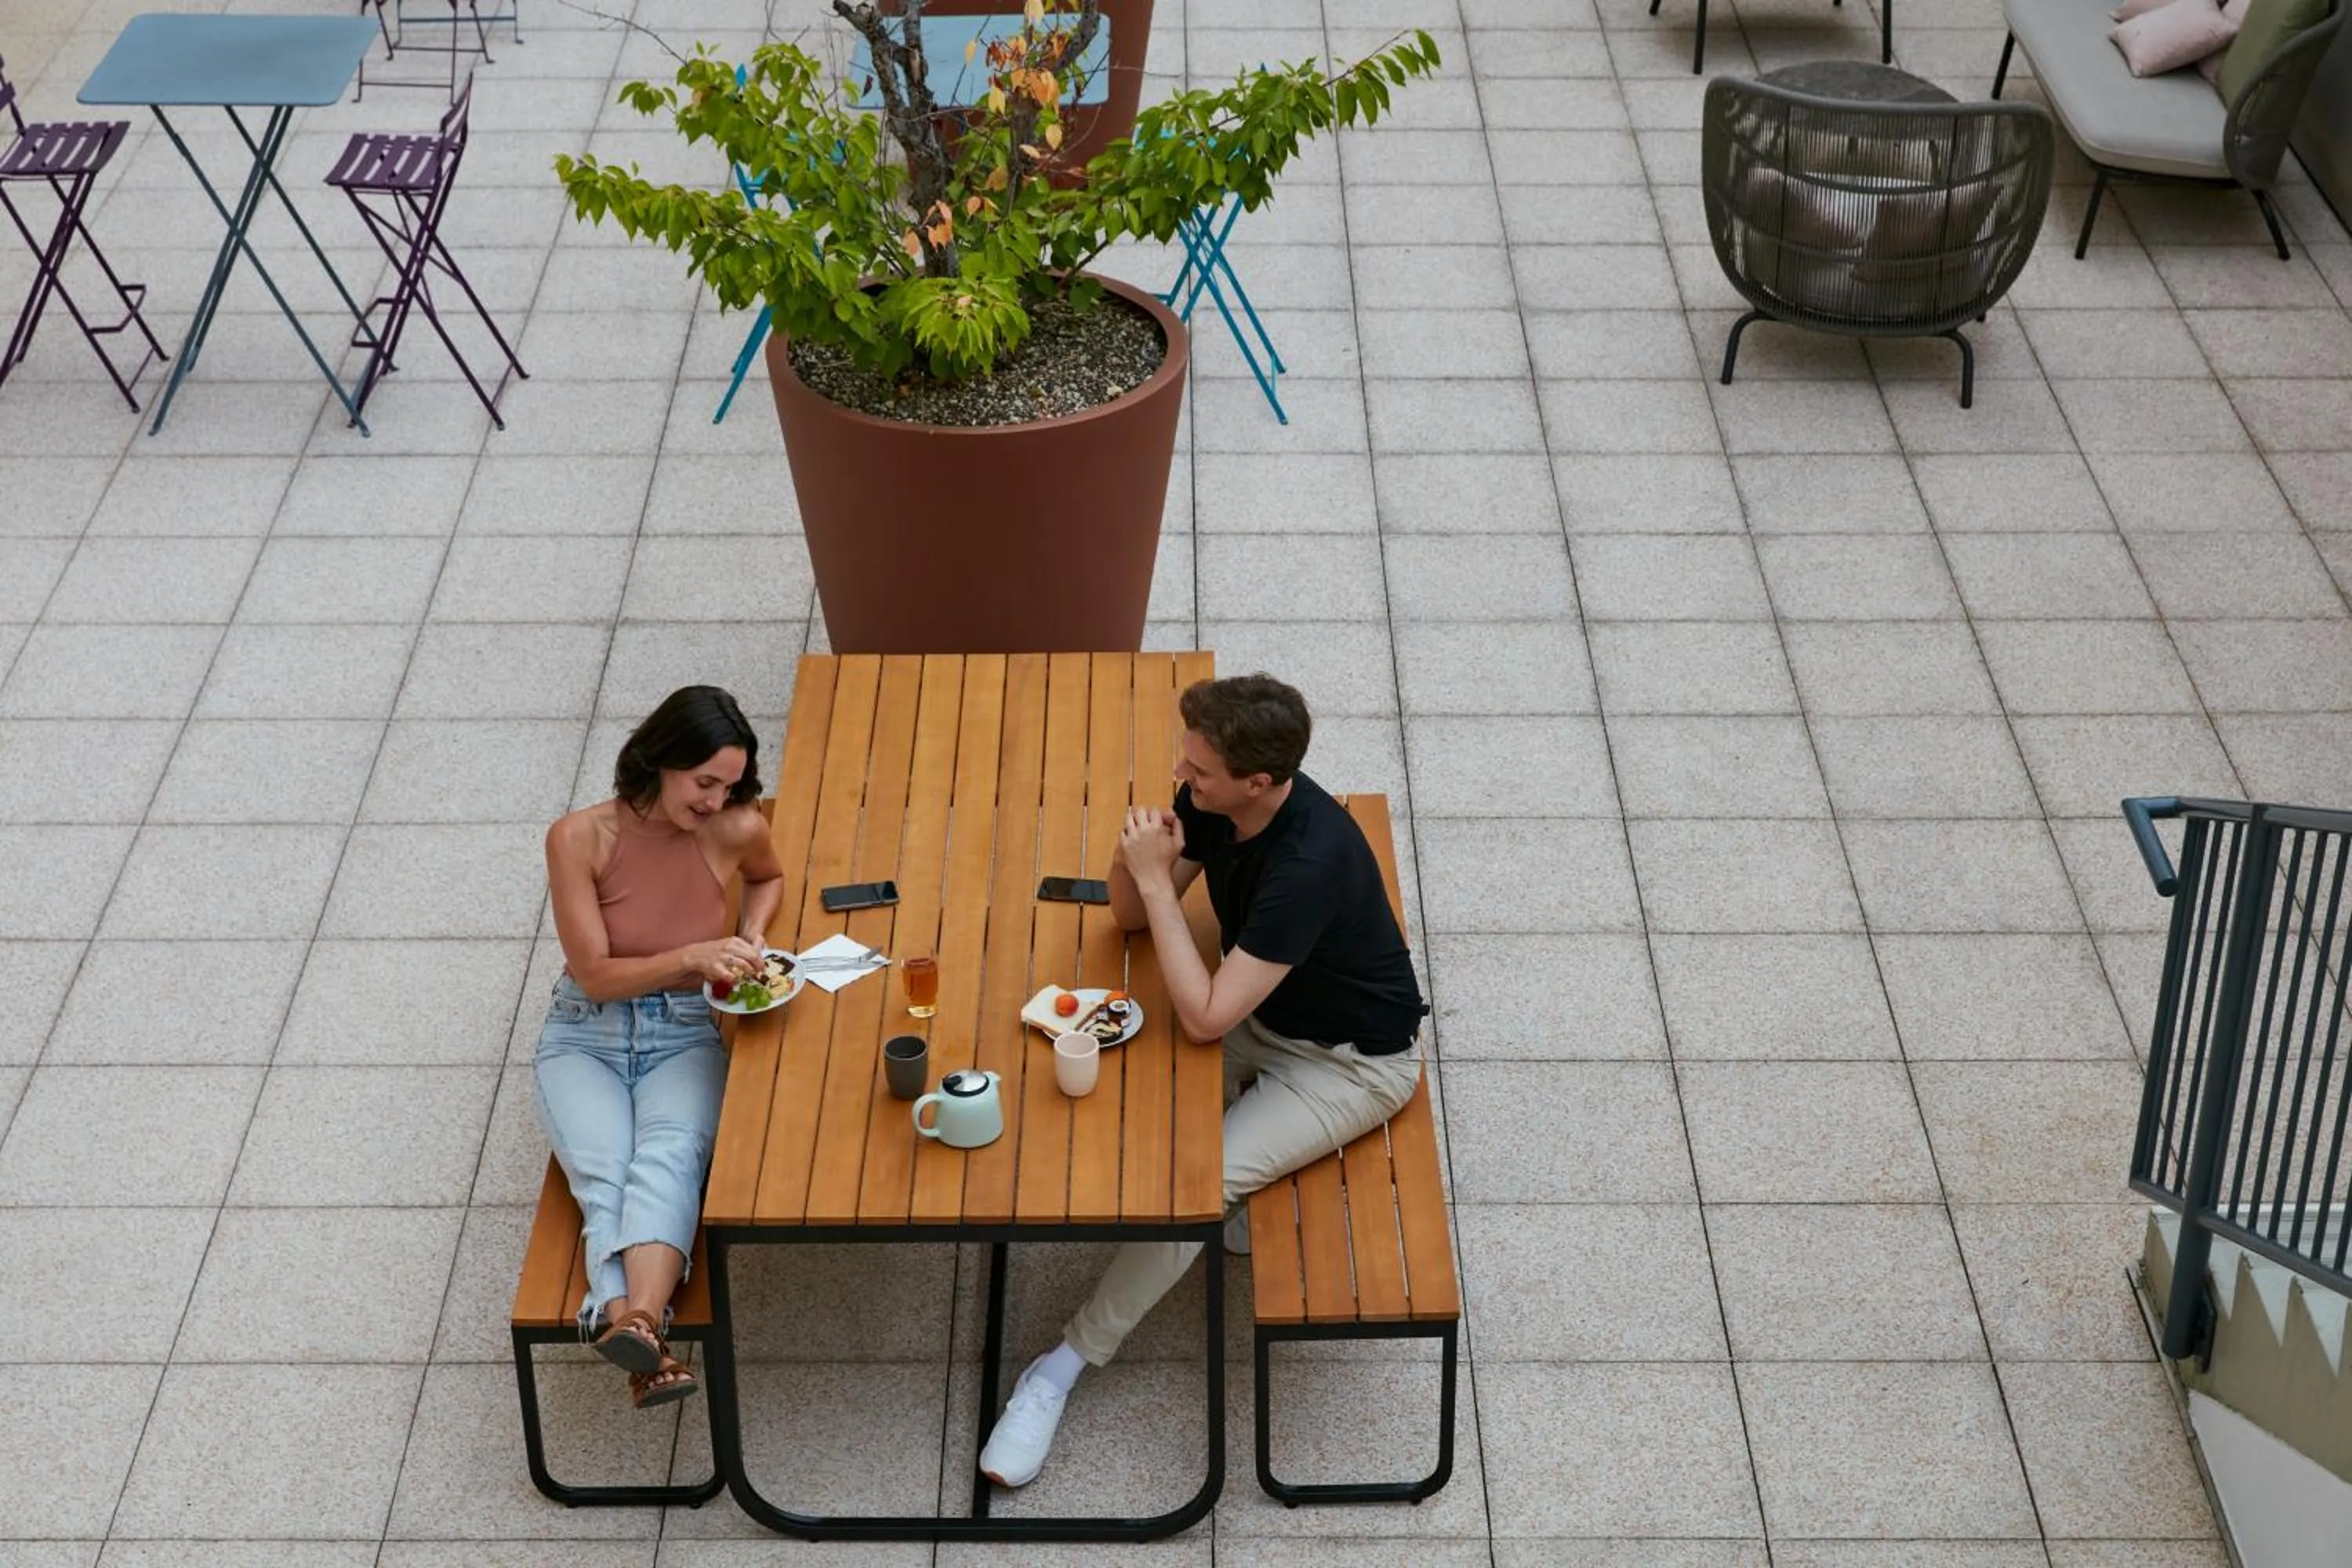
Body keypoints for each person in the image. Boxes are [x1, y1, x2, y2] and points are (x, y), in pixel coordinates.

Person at [978, 672, 1428, 1485]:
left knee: (1195, 1187)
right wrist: (1136, 859)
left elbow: (1205, 1016)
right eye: (1185, 762)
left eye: (1198, 771)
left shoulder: (1308, 864)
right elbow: (1129, 917)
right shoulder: (1215, 801)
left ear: (1258, 781)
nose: (1181, 778)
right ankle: (1233, 1173)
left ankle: (1060, 1366)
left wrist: (1157, 878)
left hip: (1345, 1064)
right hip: (1260, 1013)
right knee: (1081, 1045)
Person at [536, 684, 782, 1408]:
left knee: (670, 1154)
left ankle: (634, 1325)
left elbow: (770, 876)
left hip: (682, 1027)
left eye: (729, 785)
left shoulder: (735, 828)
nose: (715, 800)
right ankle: (644, 1325)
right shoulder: (577, 838)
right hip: (585, 1032)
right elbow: (595, 975)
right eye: (704, 781)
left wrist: (754, 933)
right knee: (606, 1172)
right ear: (660, 759)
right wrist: (694, 953)